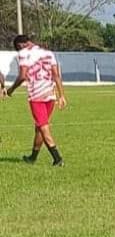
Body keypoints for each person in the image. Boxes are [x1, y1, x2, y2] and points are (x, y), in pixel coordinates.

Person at [7, 34, 67, 166]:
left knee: (44, 127)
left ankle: (57, 158)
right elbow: (56, 76)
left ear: (20, 45)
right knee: (39, 127)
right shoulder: (48, 53)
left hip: (36, 96)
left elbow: (22, 76)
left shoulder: (23, 53)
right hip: (50, 95)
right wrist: (61, 95)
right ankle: (32, 158)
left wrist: (11, 90)